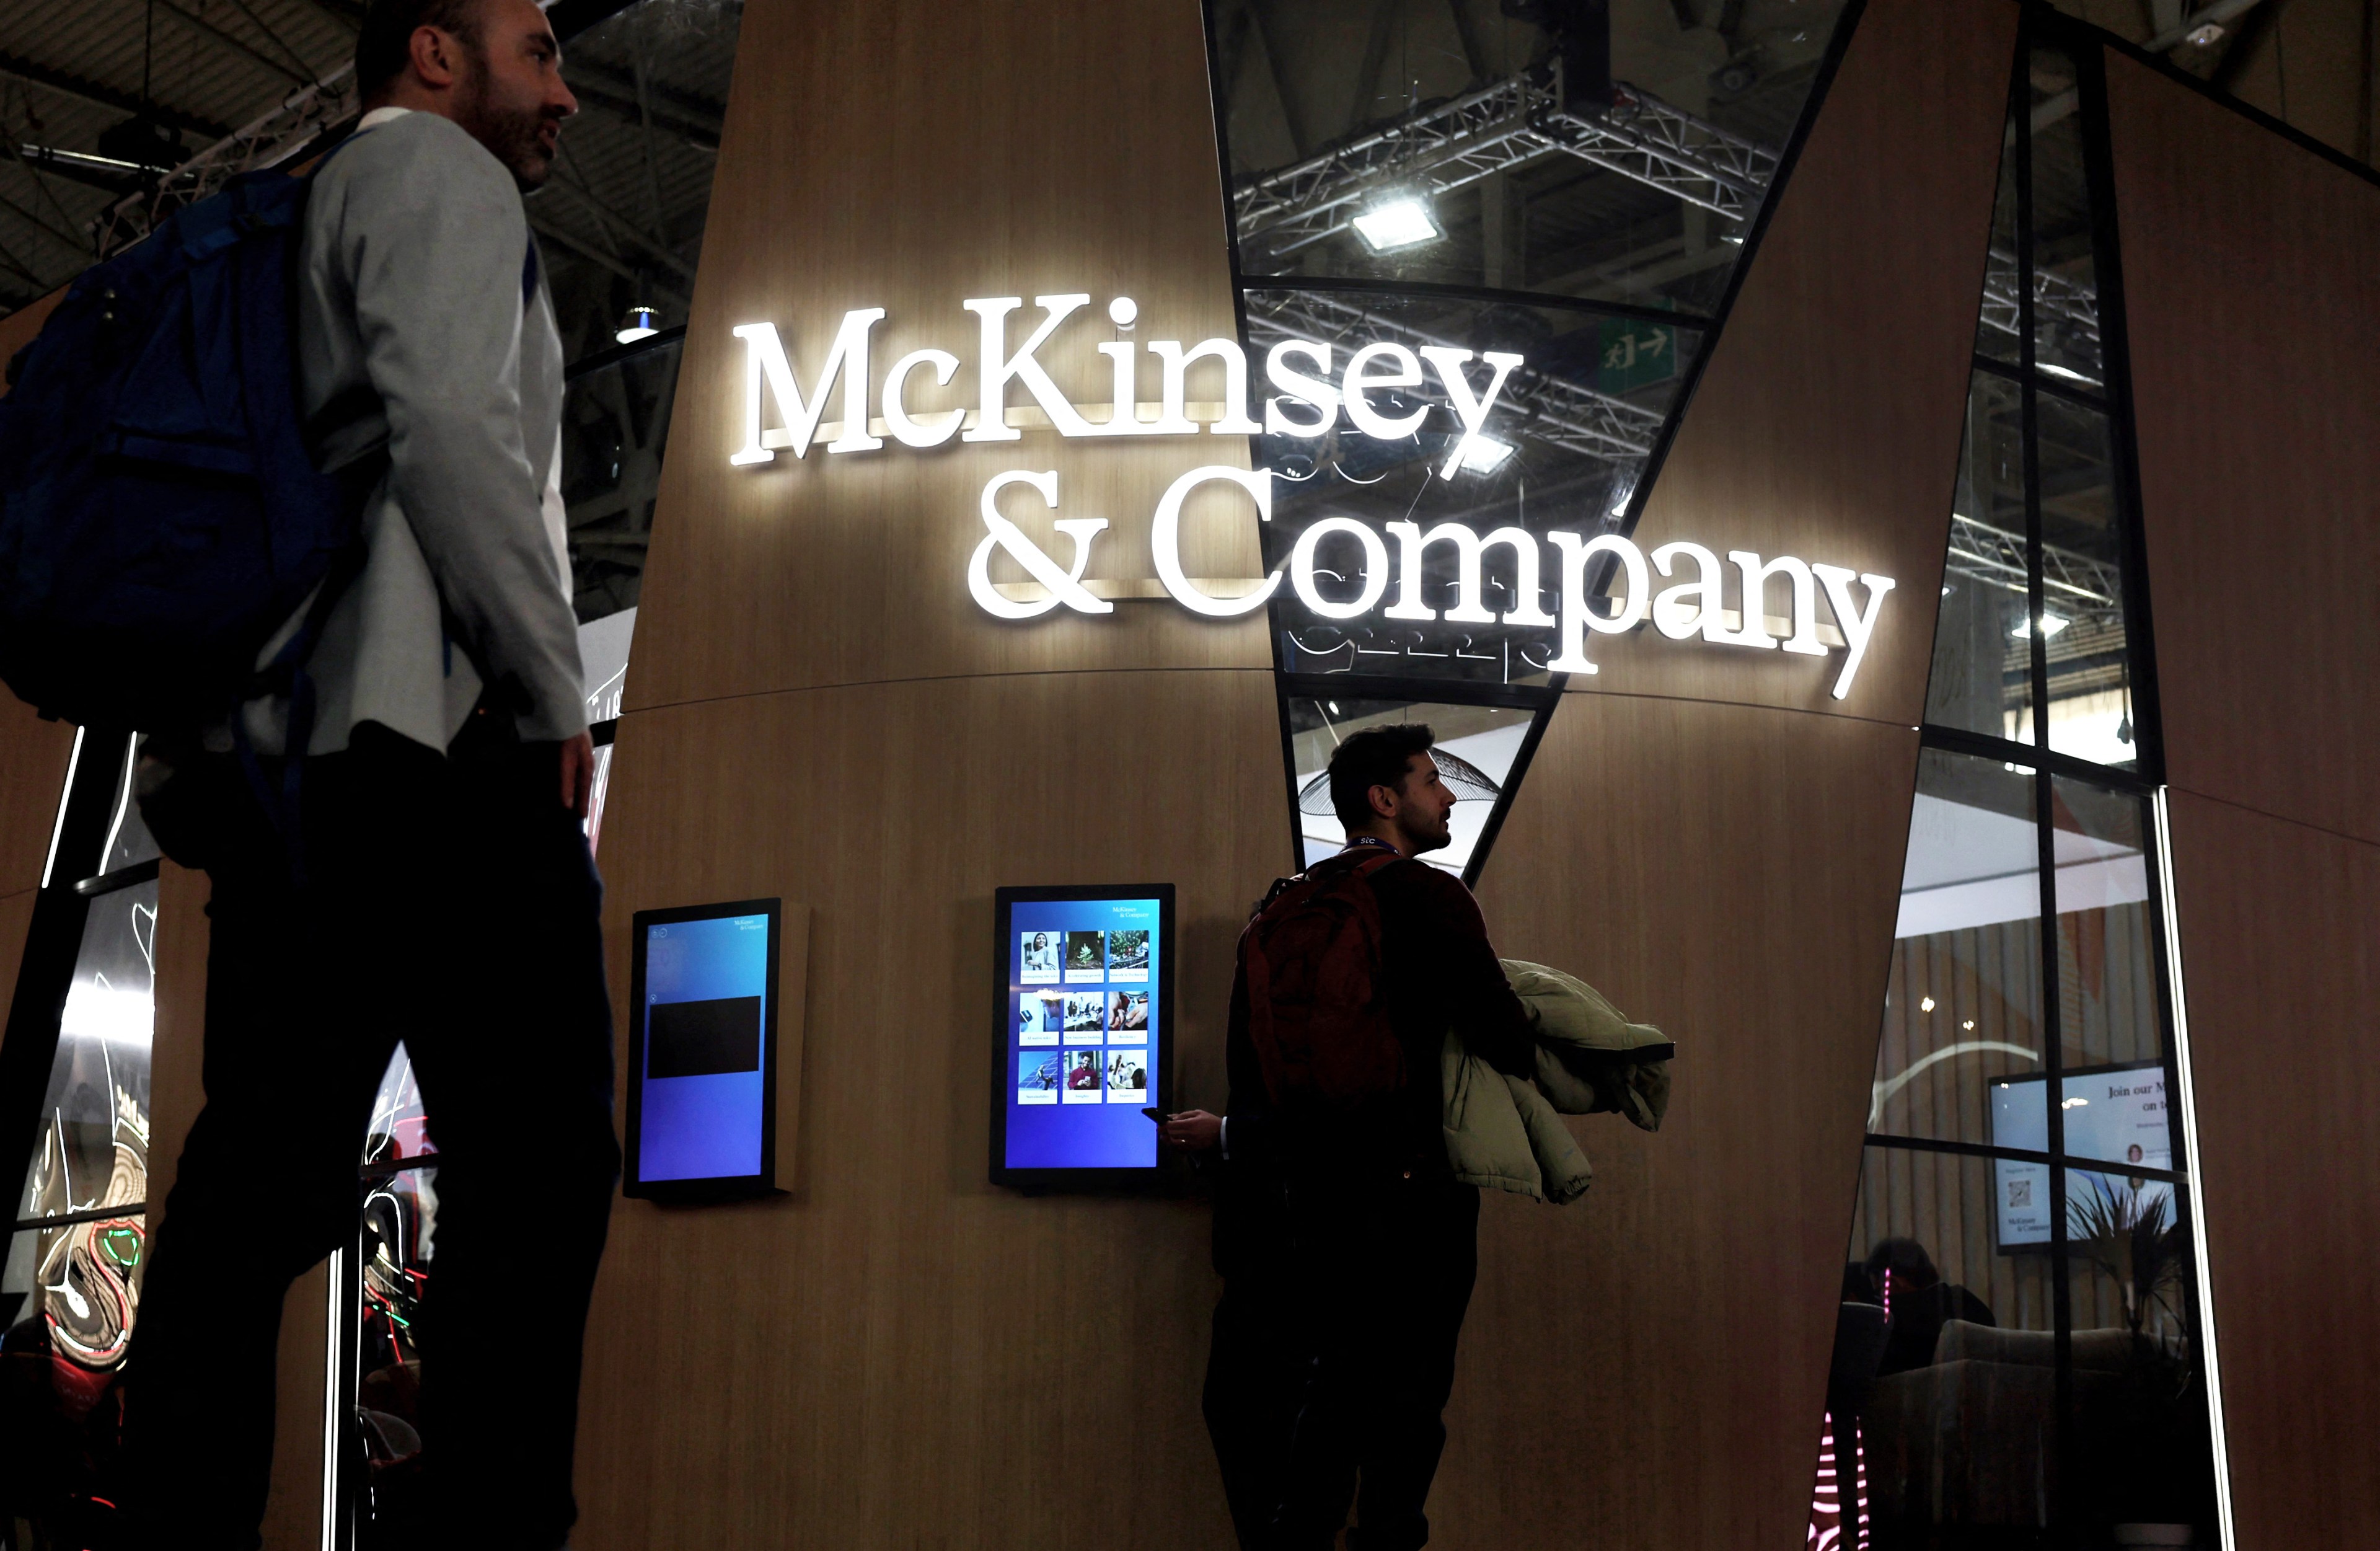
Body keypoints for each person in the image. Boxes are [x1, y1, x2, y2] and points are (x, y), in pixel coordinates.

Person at [120, 3, 615, 1549]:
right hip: (437, 762)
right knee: (541, 1169)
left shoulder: (298, 219)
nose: (570, 94)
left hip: (296, 775)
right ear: (435, 54)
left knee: (259, 1180)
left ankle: (180, 1523)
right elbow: (458, 435)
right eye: (538, 50)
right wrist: (553, 698)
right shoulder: (434, 175)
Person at [1164, 724, 1536, 1551]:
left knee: (1316, 1415)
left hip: (1294, 1215)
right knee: (1402, 1425)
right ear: (1385, 799)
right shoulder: (1433, 898)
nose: (1444, 799)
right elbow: (1509, 1042)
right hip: (1410, 1204)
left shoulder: (1274, 914)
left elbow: (1251, 1080)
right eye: (1432, 781)